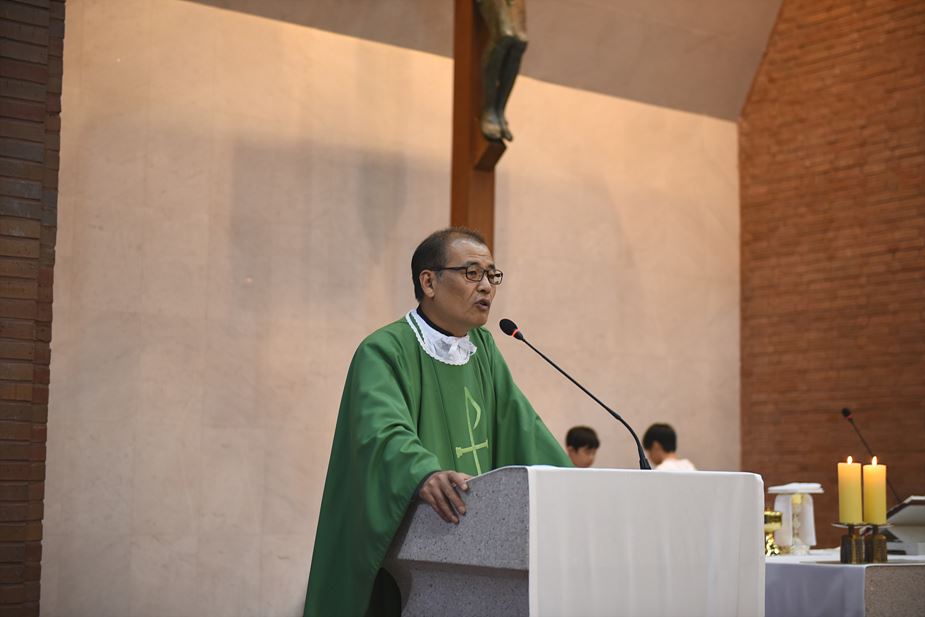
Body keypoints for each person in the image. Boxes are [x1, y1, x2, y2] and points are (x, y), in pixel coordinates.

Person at [303, 227, 572, 617]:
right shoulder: (384, 350)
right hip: (415, 546)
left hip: (478, 546)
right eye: (472, 273)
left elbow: (522, 426)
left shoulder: (482, 349)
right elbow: (381, 433)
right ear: (428, 282)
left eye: (492, 275)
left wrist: (571, 485)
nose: (487, 287)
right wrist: (422, 473)